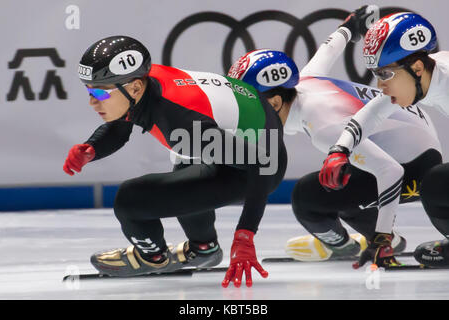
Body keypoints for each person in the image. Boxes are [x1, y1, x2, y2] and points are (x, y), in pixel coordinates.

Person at [63, 35, 288, 287]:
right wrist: (92, 148)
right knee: (187, 165)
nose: (92, 101)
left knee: (130, 200)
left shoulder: (181, 124)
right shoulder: (145, 84)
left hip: (261, 165)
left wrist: (245, 235)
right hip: (245, 138)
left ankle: (153, 256)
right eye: (89, 90)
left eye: (99, 93)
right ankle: (204, 247)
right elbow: (122, 122)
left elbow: (259, 164)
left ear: (135, 88)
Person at [227, 6, 442, 266]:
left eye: (250, 112)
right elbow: (328, 49)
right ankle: (378, 235)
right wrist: (350, 27)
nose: (249, 122)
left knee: (308, 197)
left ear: (273, 104)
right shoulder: (303, 81)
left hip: (417, 166)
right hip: (413, 134)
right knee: (341, 179)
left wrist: (381, 240)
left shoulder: (323, 128)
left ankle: (344, 246)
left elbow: (391, 172)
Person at [320, 9, 449, 267]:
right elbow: (371, 114)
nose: (380, 86)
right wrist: (339, 151)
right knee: (437, 184)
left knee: (436, 182)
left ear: (418, 68)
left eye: (384, 74)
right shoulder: (427, 76)